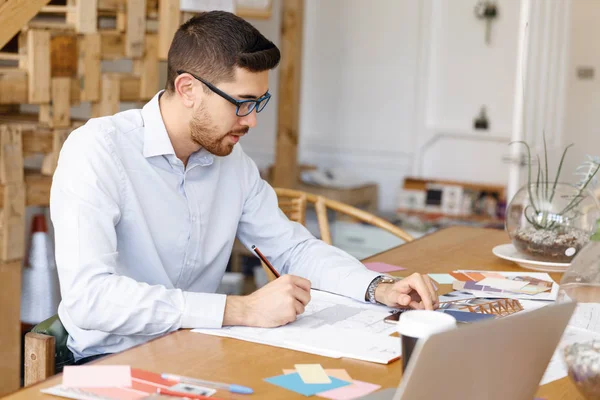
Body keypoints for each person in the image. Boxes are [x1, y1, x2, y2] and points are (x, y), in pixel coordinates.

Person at [50, 11, 438, 362]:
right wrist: (240, 309)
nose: (252, 122)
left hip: (199, 349)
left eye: (259, 102)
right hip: (109, 361)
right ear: (187, 89)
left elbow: (292, 249)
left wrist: (379, 288)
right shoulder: (98, 151)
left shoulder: (232, 165)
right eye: (242, 102)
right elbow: (90, 298)